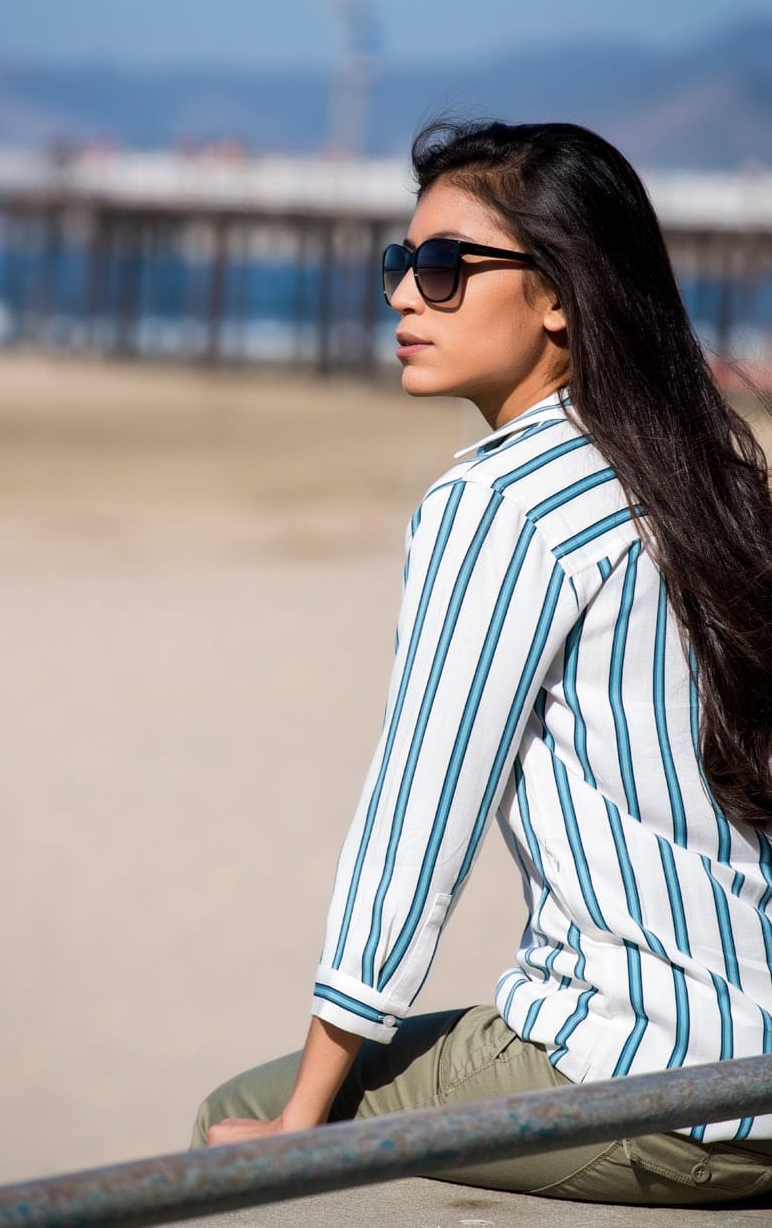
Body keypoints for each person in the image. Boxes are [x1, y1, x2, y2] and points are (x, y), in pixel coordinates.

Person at [189, 119, 772, 1205]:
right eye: (398, 265)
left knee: (229, 1122)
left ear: (560, 294)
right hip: (759, 1063)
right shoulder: (700, 487)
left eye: (446, 268)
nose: (405, 295)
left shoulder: (501, 507)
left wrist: (303, 1118)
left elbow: (418, 818)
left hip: (643, 1078)